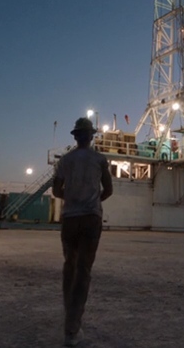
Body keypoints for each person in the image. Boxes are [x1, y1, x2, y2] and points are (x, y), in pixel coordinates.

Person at [52, 117, 113, 346]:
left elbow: (56, 189)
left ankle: (69, 315)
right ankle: (73, 327)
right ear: (92, 136)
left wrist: (71, 198)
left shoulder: (65, 161)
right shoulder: (100, 159)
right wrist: (94, 201)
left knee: (70, 265)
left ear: (75, 136)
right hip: (90, 219)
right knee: (84, 270)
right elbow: (109, 189)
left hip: (70, 219)